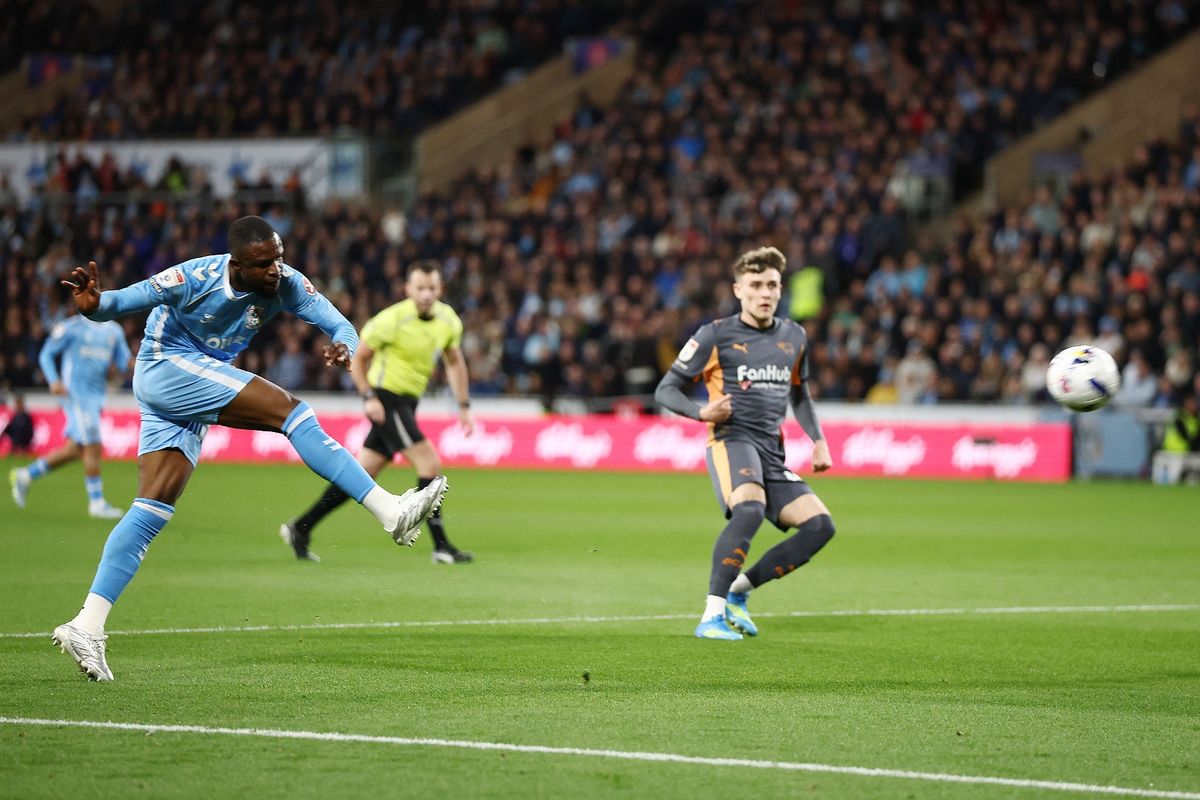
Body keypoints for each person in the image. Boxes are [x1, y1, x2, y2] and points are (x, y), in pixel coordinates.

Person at [50, 215, 448, 682]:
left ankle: (86, 624)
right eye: (263, 265)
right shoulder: (192, 277)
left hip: (192, 382)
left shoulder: (287, 282)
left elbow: (341, 325)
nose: (274, 272)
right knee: (292, 413)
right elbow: (118, 302)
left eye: (278, 260)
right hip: (167, 366)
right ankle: (389, 511)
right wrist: (93, 304)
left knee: (152, 507)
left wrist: (343, 345)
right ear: (235, 264)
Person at [654, 246, 836, 640]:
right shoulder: (715, 335)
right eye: (755, 285)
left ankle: (740, 591)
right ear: (739, 290)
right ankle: (710, 616)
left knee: (820, 526)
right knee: (749, 509)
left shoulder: (794, 336)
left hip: (771, 449)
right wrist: (702, 413)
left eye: (771, 285)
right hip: (731, 439)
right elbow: (666, 390)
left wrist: (818, 440)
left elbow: (800, 394)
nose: (765, 293)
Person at [282, 260, 475, 564]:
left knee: (360, 475)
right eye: (420, 288)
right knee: (429, 463)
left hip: (407, 403)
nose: (426, 294)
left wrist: (463, 406)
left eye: (432, 288)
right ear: (408, 289)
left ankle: (301, 528)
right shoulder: (390, 320)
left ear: (441, 289)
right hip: (388, 400)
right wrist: (369, 397)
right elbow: (359, 359)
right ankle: (442, 547)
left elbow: (454, 362)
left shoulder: (448, 321)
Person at [10, 311, 131, 518]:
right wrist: (54, 380)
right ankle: (97, 502)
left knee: (76, 449)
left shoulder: (114, 330)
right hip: (74, 394)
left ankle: (26, 475)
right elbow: (46, 354)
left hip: (96, 398)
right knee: (94, 445)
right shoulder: (71, 327)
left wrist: (148, 362)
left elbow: (124, 362)